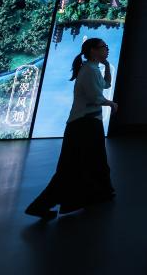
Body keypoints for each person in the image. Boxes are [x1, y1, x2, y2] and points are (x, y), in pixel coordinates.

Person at [25, 37, 117, 220]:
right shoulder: (89, 70)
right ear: (93, 51)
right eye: (103, 47)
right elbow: (94, 97)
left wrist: (107, 65)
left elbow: (106, 84)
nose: (106, 50)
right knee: (73, 168)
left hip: (88, 123)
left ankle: (102, 194)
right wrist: (111, 104)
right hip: (84, 125)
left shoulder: (92, 69)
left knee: (93, 162)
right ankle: (40, 205)